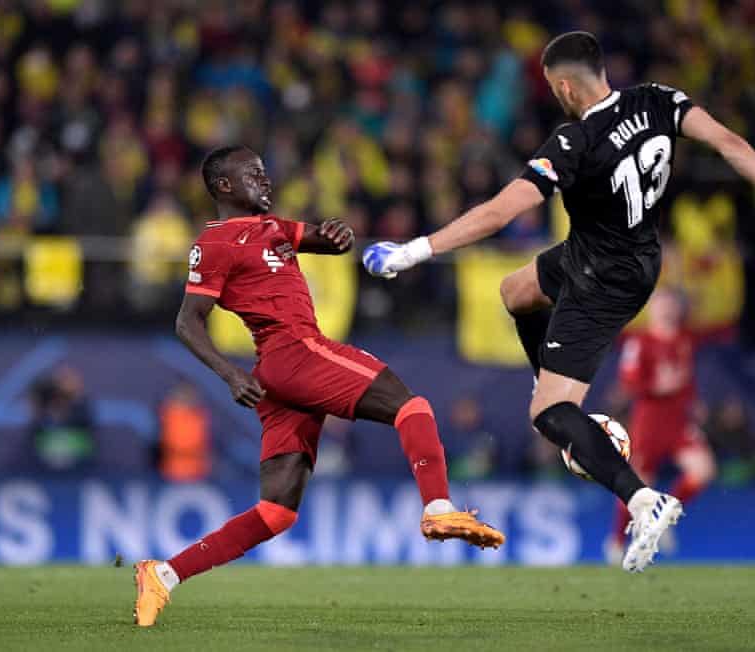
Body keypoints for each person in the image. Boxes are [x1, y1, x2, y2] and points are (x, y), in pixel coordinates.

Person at [363, 31, 755, 572]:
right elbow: (730, 143)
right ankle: (552, 389)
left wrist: (416, 250)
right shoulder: (658, 99)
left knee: (550, 414)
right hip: (623, 252)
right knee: (516, 290)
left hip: (605, 278)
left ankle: (643, 501)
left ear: (563, 86)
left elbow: (500, 213)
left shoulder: (573, 142)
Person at [133, 145, 504, 627]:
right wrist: (230, 374)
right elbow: (188, 322)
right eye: (253, 174)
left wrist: (337, 236)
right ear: (224, 186)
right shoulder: (217, 243)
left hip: (281, 374)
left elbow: (325, 241)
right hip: (294, 352)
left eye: (265, 173)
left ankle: (163, 573)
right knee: (411, 406)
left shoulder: (274, 228)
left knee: (276, 511)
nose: (265, 181)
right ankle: (438, 506)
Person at [606, 287, 716, 564]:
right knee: (639, 486)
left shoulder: (684, 340)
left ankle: (662, 516)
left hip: (678, 421)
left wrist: (695, 402)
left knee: (704, 469)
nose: (666, 309)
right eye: (660, 304)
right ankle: (617, 541)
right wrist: (656, 385)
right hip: (650, 423)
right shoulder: (639, 341)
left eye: (670, 304)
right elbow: (628, 383)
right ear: (651, 309)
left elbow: (686, 380)